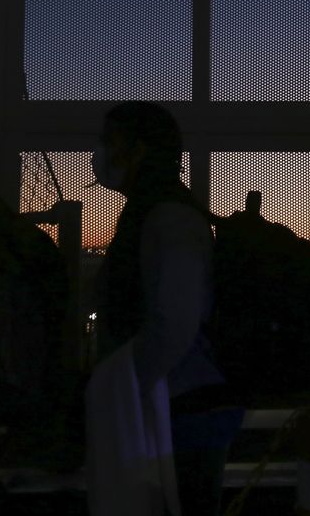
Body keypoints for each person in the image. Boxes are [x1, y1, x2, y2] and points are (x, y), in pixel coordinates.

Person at [87, 102, 241, 516]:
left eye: (110, 141)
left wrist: (125, 380)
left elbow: (176, 318)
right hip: (175, 403)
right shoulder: (157, 209)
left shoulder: (166, 215)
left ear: (139, 150)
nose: (101, 153)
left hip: (181, 408)